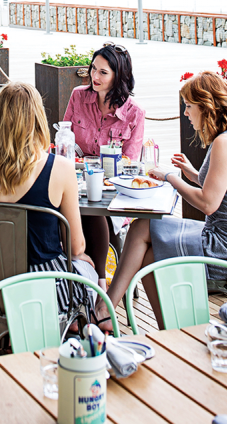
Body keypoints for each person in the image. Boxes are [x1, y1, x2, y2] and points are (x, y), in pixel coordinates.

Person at [101, 70, 227, 330]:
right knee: (148, 255)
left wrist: (173, 178)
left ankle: (106, 308)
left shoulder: (224, 144)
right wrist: (193, 174)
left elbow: (209, 203)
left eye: (188, 106)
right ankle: (171, 329)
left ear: (206, 107)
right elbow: (222, 188)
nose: (186, 113)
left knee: (142, 226)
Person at [0, 82, 97, 318]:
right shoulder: (60, 168)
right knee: (87, 267)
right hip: (45, 294)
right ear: (38, 118)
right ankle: (75, 328)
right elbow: (76, 247)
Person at [62, 42, 145, 287]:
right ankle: (89, 278)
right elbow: (65, 140)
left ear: (118, 76)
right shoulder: (79, 95)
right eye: (93, 69)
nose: (94, 77)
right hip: (76, 183)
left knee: (90, 208)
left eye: (103, 72)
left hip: (114, 192)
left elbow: (131, 163)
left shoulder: (134, 113)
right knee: (75, 206)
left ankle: (94, 279)